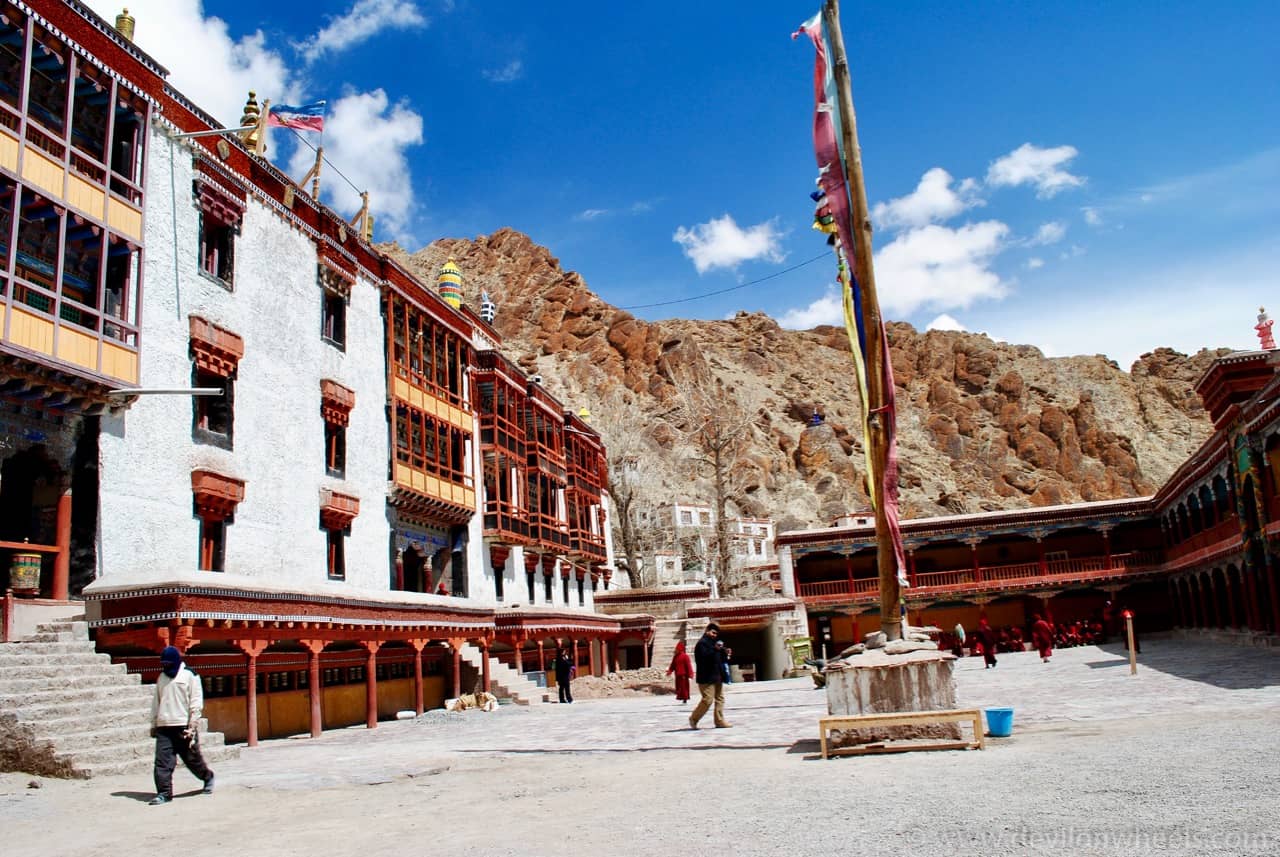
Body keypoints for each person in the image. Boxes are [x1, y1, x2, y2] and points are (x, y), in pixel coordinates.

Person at [148, 646, 214, 805]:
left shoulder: (190, 675)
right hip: (164, 725)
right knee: (162, 762)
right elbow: (156, 703)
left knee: (193, 760)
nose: (166, 667)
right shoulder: (161, 678)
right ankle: (164, 793)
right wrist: (153, 723)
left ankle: (207, 777)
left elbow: (196, 702)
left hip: (183, 726)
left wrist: (193, 724)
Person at [688, 623, 731, 729]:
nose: (714, 635)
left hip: (717, 676)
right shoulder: (701, 644)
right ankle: (694, 718)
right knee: (707, 700)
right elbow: (704, 659)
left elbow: (721, 660)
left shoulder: (715, 644)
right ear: (707, 631)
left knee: (720, 699)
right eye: (713, 632)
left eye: (716, 633)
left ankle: (719, 721)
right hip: (706, 677)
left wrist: (726, 653)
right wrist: (715, 650)